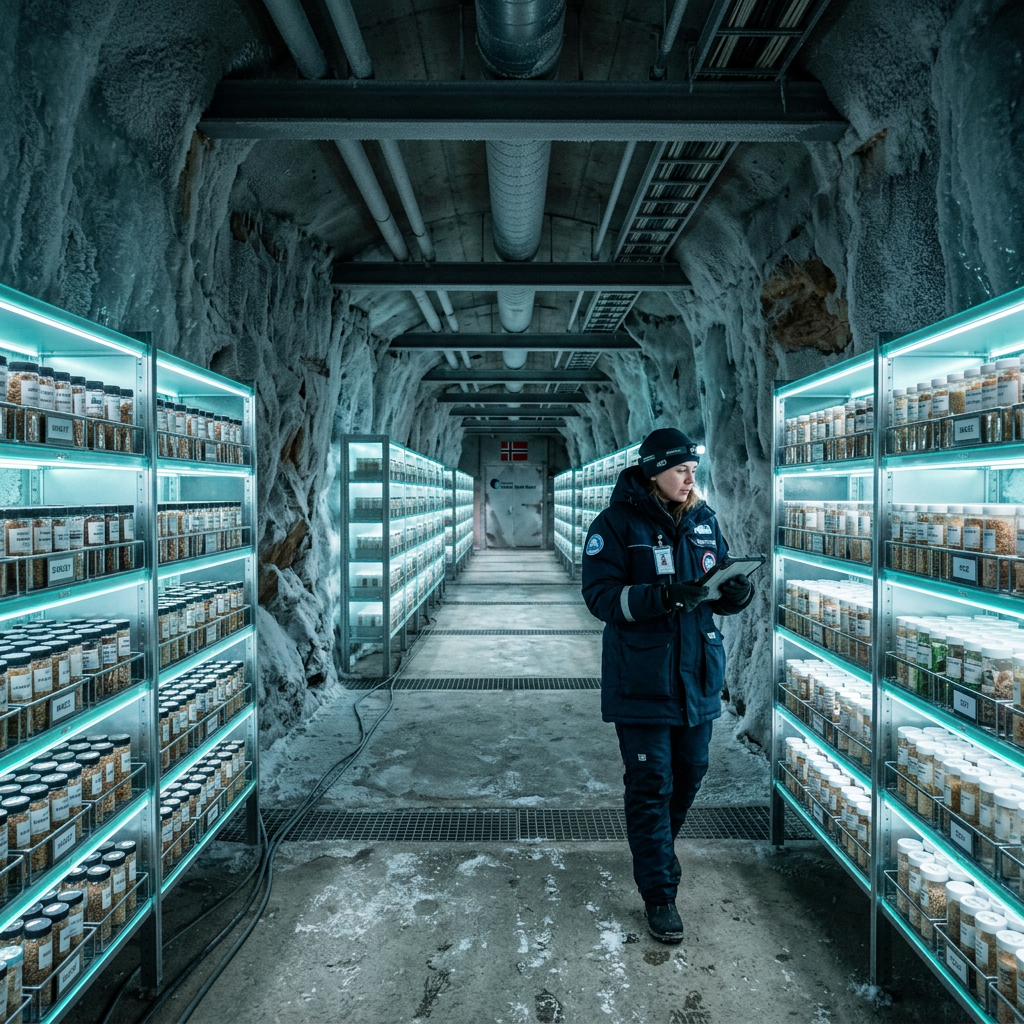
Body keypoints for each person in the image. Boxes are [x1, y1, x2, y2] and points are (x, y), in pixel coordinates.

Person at [581, 427, 754, 944]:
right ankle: (660, 894)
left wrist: (733, 594)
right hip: (643, 681)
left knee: (690, 774)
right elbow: (600, 598)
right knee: (651, 784)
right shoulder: (615, 525)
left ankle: (655, 851)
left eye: (693, 471)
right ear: (654, 471)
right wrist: (662, 597)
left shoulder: (703, 521)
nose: (689, 479)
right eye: (680, 470)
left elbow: (711, 582)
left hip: (697, 678)